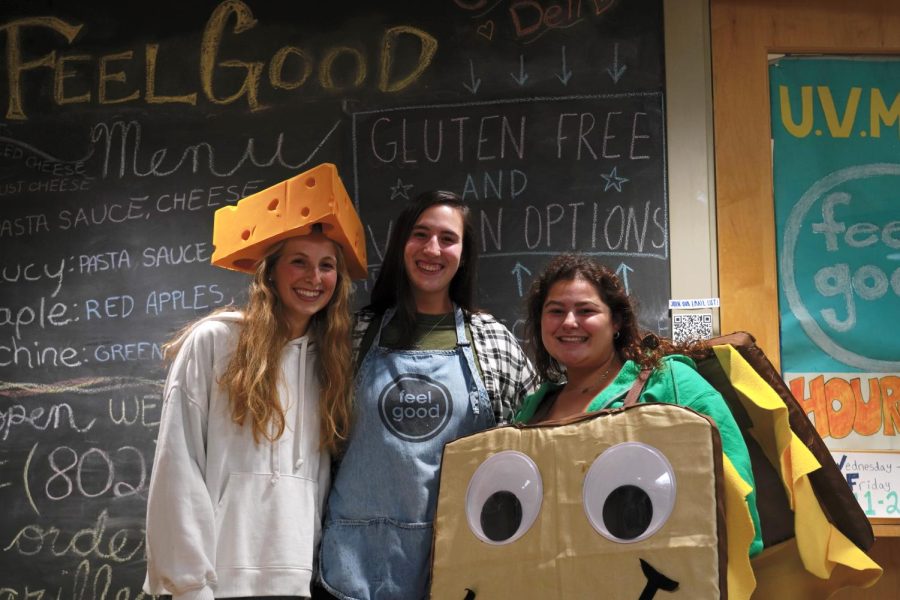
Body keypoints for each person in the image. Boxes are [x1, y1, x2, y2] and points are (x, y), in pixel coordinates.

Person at [145, 167, 364, 599]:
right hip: (213, 584)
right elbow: (178, 466)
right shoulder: (215, 342)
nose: (313, 278)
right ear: (270, 271)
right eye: (298, 261)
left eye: (327, 266)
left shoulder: (332, 363)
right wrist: (189, 586)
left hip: (298, 583)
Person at [317, 191, 537, 600]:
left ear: (464, 254)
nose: (433, 249)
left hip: (465, 561)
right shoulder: (349, 336)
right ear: (402, 244)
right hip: (355, 562)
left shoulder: (494, 342)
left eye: (448, 238)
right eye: (420, 234)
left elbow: (530, 447)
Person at [513, 252, 764, 558]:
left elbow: (735, 494)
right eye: (555, 310)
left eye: (586, 310)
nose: (569, 322)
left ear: (615, 321)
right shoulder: (534, 408)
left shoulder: (670, 382)